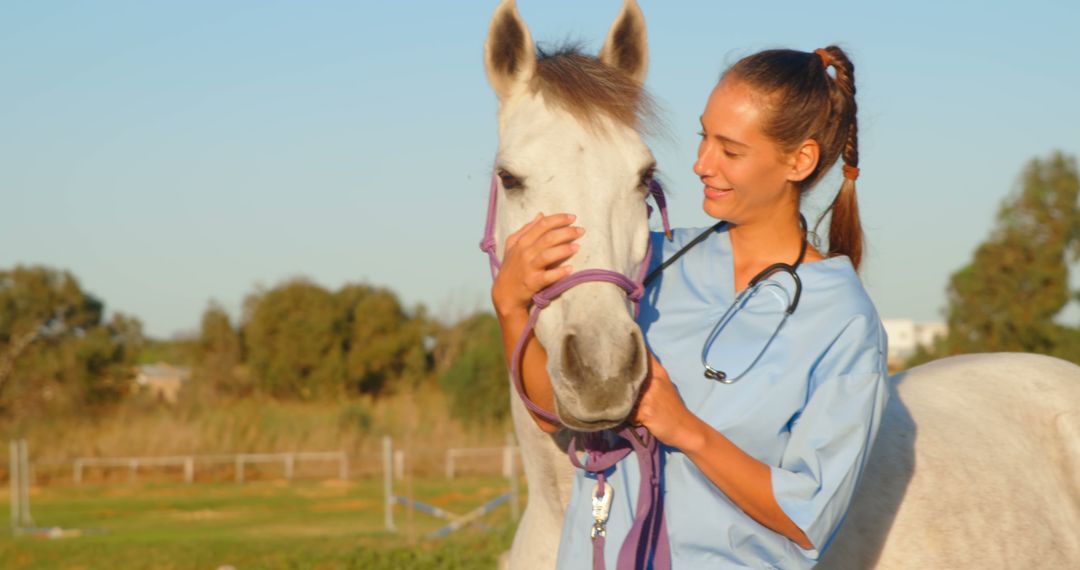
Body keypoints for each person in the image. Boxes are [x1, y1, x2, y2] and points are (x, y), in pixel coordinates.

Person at [492, 46, 889, 569]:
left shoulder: (842, 320)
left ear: (800, 160)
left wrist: (686, 430)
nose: (701, 164)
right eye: (704, 137)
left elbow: (808, 514)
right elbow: (556, 416)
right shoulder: (645, 264)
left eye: (730, 150)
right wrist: (511, 306)